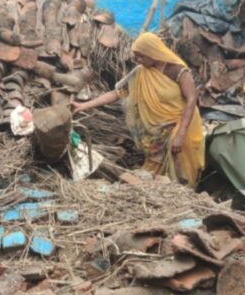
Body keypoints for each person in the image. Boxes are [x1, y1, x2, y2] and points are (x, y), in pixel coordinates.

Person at [73, 32, 205, 186]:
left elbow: (191, 99)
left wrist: (181, 134)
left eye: (141, 56)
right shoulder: (139, 72)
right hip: (156, 136)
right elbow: (116, 93)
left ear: (153, 52)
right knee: (153, 175)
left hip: (181, 128)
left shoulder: (178, 71)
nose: (137, 60)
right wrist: (84, 105)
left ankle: (185, 198)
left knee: (180, 172)